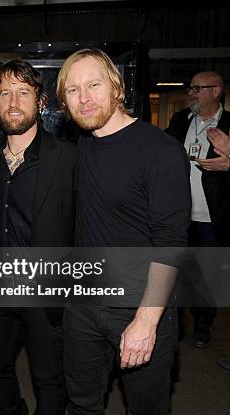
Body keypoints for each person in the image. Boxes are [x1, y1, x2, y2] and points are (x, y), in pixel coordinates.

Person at [56, 49, 191, 415]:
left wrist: (146, 321)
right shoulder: (80, 146)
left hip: (141, 308)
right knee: (81, 404)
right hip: (83, 306)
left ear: (117, 87)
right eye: (73, 90)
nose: (84, 98)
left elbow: (172, 243)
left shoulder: (160, 151)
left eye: (94, 85)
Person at [0, 59, 76, 415]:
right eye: (5, 93)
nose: (13, 102)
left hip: (46, 285)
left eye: (23, 92)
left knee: (49, 379)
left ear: (41, 101)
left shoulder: (66, 156)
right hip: (2, 282)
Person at [165, 71, 230, 348]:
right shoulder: (181, 121)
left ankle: (203, 325)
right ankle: (174, 326)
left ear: (216, 91)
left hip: (211, 218)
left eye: (197, 88)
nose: (191, 93)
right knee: (173, 273)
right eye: (190, 87)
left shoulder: (229, 125)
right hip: (178, 215)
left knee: (206, 276)